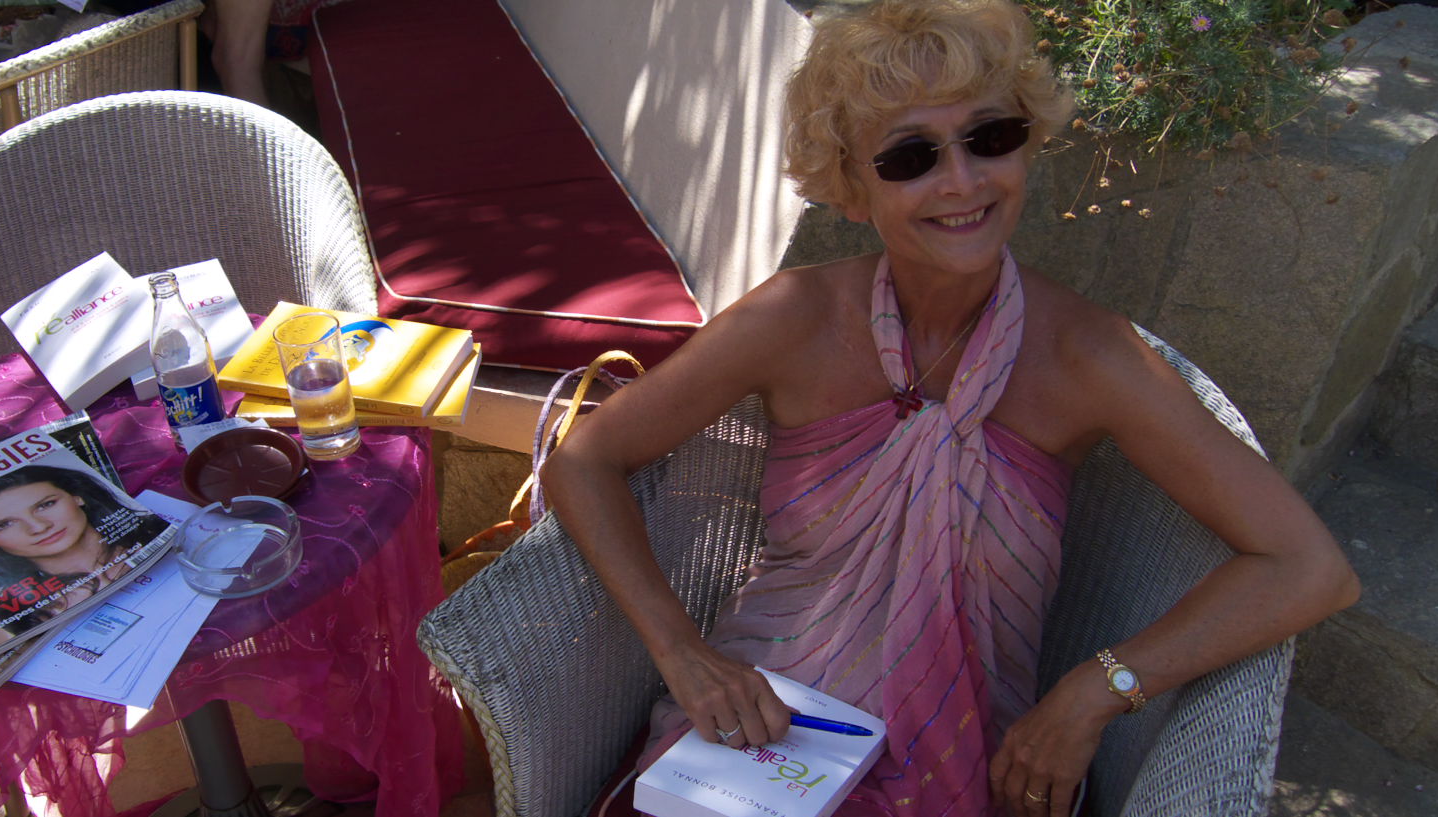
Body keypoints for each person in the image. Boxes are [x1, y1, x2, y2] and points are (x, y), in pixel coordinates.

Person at [538, 2, 1361, 815]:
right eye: (910, 157)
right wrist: (682, 652)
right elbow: (587, 458)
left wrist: (1097, 688)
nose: (962, 180)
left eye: (989, 137)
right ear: (851, 186)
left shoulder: (1090, 358)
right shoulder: (795, 319)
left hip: (967, 756)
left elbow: (1308, 568)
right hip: (763, 728)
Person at [0, 465, 163, 659]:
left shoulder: (156, 532)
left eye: (46, 505)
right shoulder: (6, 622)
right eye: (3, 525)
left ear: (77, 497)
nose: (39, 527)